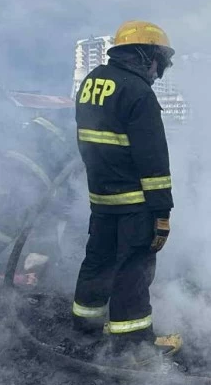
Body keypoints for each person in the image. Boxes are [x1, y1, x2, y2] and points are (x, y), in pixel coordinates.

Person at [72, 20, 180, 364]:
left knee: (98, 259)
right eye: (158, 63)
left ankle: (85, 326)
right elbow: (153, 159)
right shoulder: (138, 92)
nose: (157, 73)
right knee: (133, 270)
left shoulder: (92, 82)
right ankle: (133, 346)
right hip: (135, 202)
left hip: (101, 198)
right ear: (145, 56)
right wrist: (162, 212)